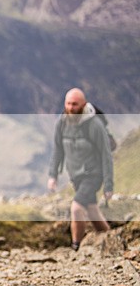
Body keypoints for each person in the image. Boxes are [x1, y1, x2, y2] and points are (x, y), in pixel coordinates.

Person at [47, 87, 114, 251]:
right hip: (75, 175)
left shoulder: (94, 124)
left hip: (93, 174)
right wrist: (53, 175)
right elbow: (58, 150)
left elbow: (106, 155)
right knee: (92, 211)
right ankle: (112, 240)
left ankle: (76, 247)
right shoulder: (62, 122)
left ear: (83, 104)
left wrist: (108, 185)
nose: (71, 108)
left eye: (75, 104)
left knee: (76, 208)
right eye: (68, 104)